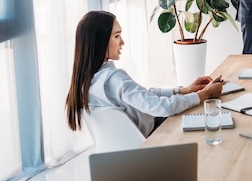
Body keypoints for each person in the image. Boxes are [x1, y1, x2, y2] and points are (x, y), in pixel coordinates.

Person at [65, 11, 224, 137]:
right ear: (100, 41)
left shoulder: (87, 80)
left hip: (131, 143)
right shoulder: (113, 79)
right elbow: (161, 107)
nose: (122, 42)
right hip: (153, 134)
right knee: (211, 118)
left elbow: (143, 95)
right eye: (116, 36)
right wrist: (204, 95)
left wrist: (184, 90)